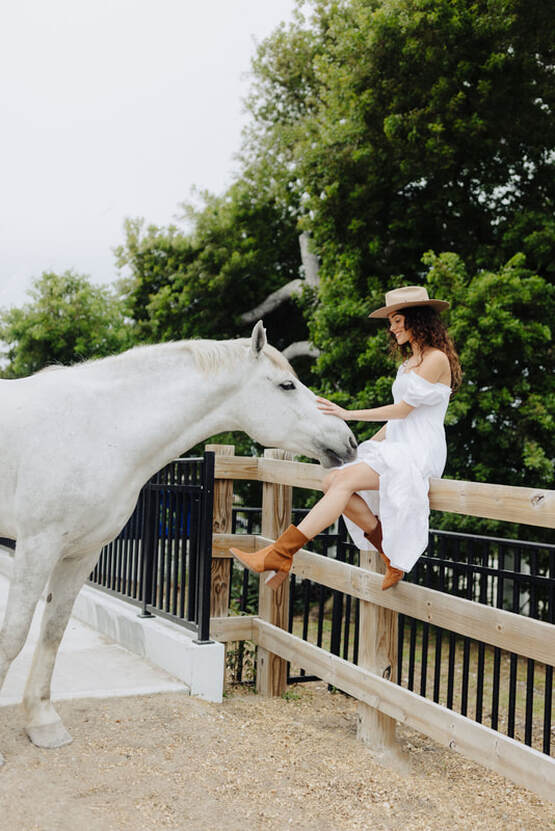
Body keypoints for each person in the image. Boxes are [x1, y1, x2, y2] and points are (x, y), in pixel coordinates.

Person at [230, 285, 462, 591]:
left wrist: (348, 414)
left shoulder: (435, 359)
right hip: (396, 443)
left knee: (342, 483)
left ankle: (280, 553)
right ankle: (387, 551)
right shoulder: (409, 363)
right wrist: (372, 444)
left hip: (419, 450)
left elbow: (404, 410)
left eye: (396, 320)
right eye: (390, 322)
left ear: (416, 318)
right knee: (332, 481)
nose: (392, 329)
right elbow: (398, 420)